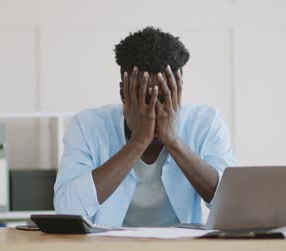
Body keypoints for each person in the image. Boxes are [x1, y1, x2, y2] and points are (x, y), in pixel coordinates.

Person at [54, 26, 237, 227]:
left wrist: (173, 141)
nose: (155, 111)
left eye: (165, 98)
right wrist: (138, 142)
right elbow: (68, 208)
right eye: (145, 99)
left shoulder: (206, 123)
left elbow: (234, 204)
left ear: (179, 92)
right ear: (123, 93)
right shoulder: (87, 125)